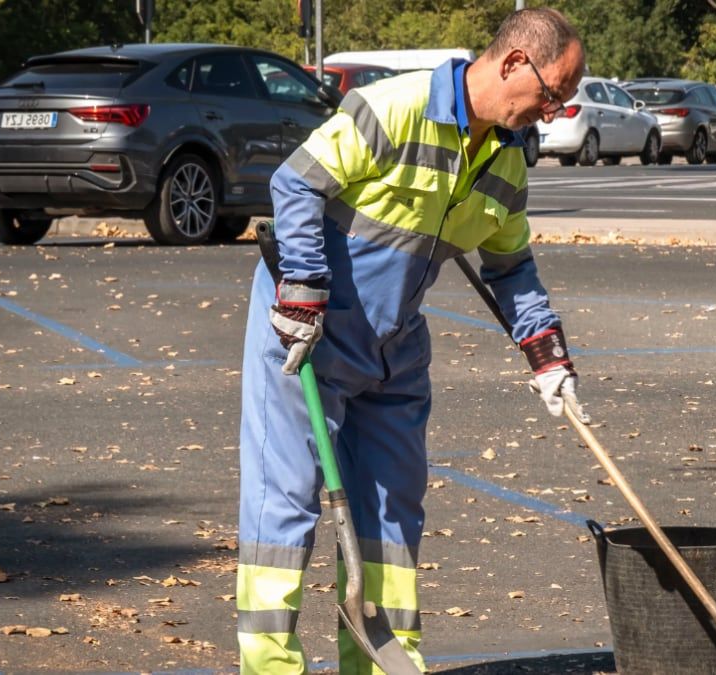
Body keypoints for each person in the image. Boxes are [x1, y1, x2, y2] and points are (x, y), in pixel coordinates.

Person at [237, 8, 587, 673]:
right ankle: (271, 664)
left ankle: (379, 662)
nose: (549, 113)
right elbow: (296, 182)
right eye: (550, 94)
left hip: (394, 344)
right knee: (286, 502)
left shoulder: (507, 162)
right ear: (515, 61)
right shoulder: (393, 109)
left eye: (561, 103)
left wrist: (546, 353)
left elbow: (510, 266)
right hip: (307, 334)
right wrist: (305, 288)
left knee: (392, 512)